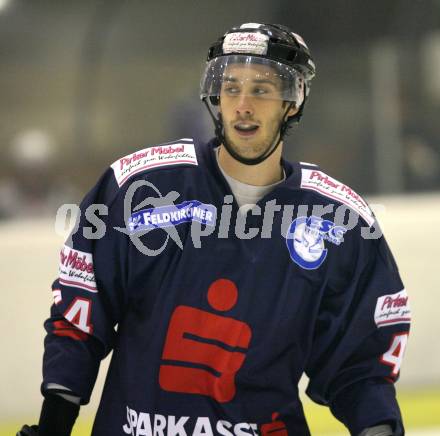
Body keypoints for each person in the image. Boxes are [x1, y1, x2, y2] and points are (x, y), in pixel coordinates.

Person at [18, 23, 411, 436]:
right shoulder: (141, 188)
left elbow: (359, 365)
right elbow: (80, 318)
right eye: (231, 87)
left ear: (292, 102)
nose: (243, 104)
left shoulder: (340, 222)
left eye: (261, 89)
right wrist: (54, 424)